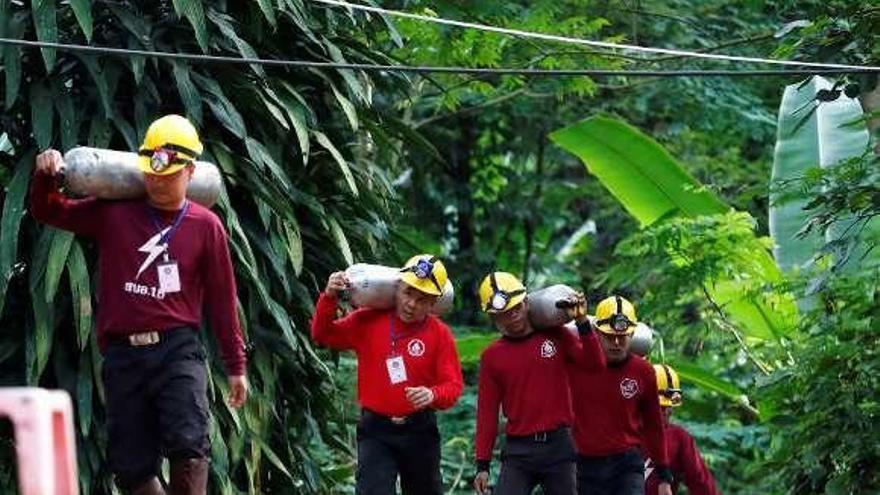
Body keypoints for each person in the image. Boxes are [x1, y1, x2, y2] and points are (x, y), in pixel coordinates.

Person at [30, 114, 249, 495]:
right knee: (131, 468)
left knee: (190, 446)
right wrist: (46, 175)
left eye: (168, 174)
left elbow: (221, 299)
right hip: (123, 355)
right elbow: (50, 211)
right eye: (152, 171)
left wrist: (236, 366)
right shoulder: (114, 212)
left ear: (190, 171)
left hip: (178, 349)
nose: (157, 179)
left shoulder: (205, 225)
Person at [310, 254, 464, 495]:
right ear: (397, 288)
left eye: (422, 299)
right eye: (408, 293)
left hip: (420, 431)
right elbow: (322, 334)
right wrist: (329, 297)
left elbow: (453, 386)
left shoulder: (440, 334)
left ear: (434, 303)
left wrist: (432, 394)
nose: (411, 303)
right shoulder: (367, 321)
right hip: (376, 431)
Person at [472, 273, 605, 495]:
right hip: (518, 451)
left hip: (559, 446)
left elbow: (595, 365)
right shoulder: (492, 357)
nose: (512, 316)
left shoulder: (557, 336)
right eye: (504, 314)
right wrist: (482, 465)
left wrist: (582, 323)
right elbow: (487, 412)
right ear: (494, 318)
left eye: (516, 308)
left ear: (526, 303)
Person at [568, 295, 673, 495]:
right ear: (597, 332)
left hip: (627, 465)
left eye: (622, 337)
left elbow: (654, 425)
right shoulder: (577, 364)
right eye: (609, 337)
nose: (616, 343)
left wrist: (664, 476)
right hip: (585, 466)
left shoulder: (643, 371)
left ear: (632, 334)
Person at [645, 365, 720, 495]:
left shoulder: (679, 438)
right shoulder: (619, 431)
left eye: (670, 406)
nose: (668, 411)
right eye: (662, 406)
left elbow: (702, 484)